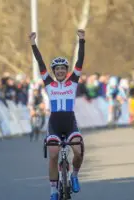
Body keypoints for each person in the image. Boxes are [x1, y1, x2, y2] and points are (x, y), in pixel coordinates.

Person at [29, 29, 85, 200]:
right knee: (53, 155)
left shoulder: (73, 82)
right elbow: (40, 63)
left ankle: (74, 175)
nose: (60, 71)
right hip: (54, 123)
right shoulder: (49, 83)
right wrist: (33, 44)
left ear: (66, 71)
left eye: (63, 69)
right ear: (53, 71)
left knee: (78, 151)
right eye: (57, 69)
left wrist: (82, 41)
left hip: (70, 122)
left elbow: (80, 61)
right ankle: (53, 189)